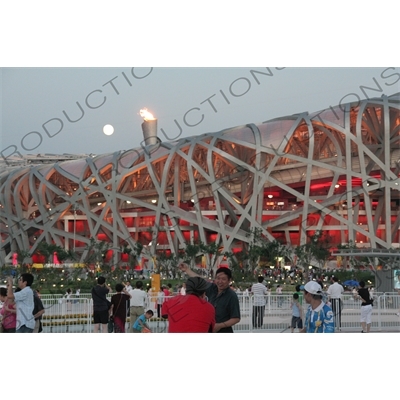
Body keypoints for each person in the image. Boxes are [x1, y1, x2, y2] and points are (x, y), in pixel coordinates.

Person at [178, 263, 240, 333]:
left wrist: (220, 325)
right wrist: (187, 270)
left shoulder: (231, 296)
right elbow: (199, 280)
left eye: (223, 279)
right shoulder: (212, 288)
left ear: (229, 280)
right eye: (218, 278)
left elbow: (236, 318)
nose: (220, 281)